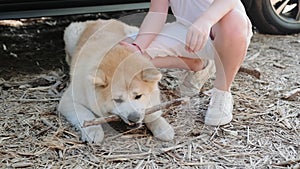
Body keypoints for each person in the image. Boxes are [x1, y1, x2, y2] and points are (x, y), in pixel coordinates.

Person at [120, 0, 253, 126]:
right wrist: (138, 47)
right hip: (187, 31)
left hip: (223, 31)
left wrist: (205, 21)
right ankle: (197, 63)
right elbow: (157, 13)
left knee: (233, 21)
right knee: (124, 51)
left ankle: (221, 93)